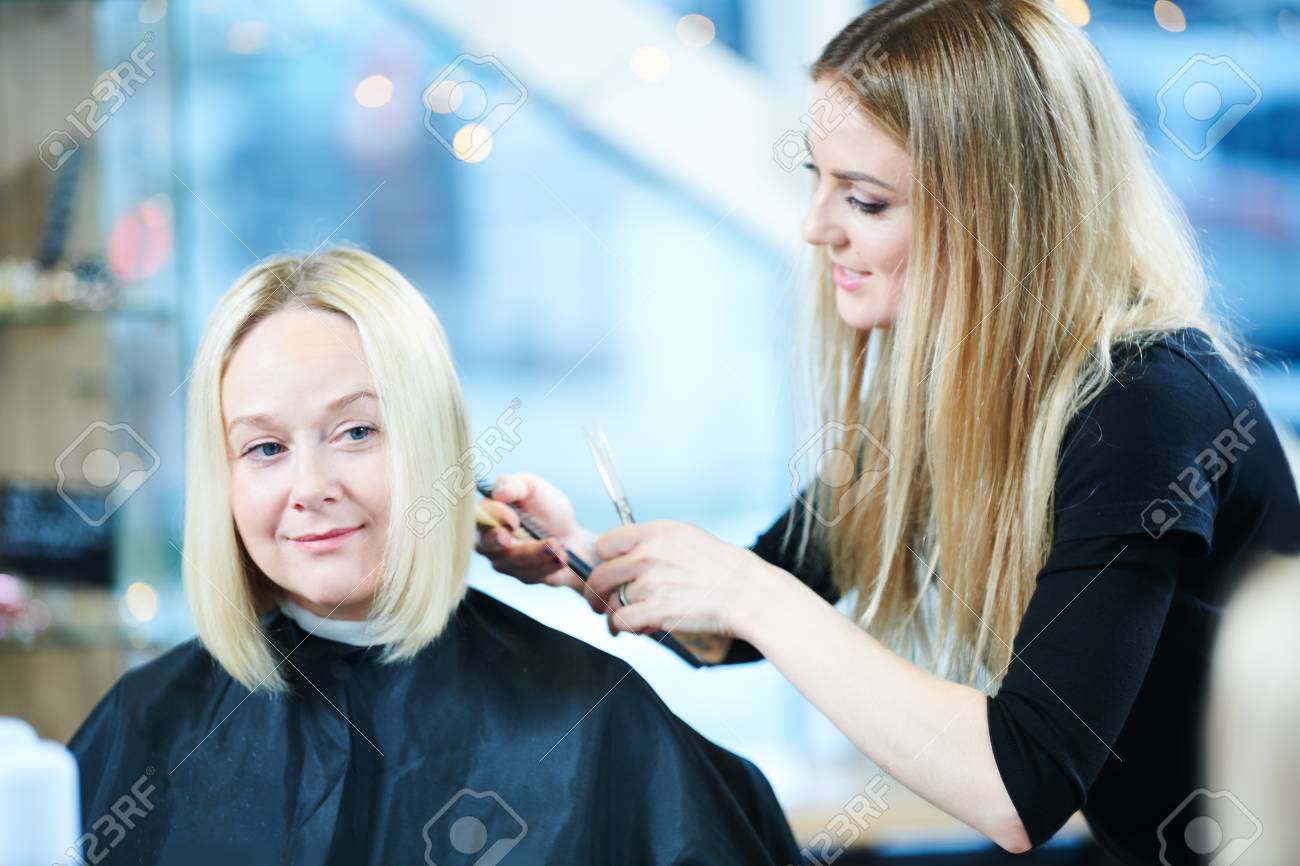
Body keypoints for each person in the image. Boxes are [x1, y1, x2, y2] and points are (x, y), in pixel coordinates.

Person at [474, 1, 1300, 862]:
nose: (816, 225)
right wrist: (575, 554)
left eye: (865, 200)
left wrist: (747, 593)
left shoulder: (1144, 410)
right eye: (816, 178)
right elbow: (731, 630)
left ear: (997, 216)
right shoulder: (949, 397)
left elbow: (1018, 787)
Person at [68, 249, 801, 866]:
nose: (311, 488)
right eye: (265, 448)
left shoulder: (588, 722)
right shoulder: (147, 724)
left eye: (356, 432)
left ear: (432, 445)